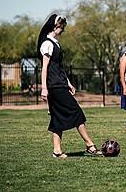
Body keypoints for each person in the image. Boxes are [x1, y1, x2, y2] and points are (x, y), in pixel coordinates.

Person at [37, 13, 102, 158]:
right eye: (61, 28)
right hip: (54, 86)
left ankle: (57, 151)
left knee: (57, 117)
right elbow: (45, 68)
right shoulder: (47, 44)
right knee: (76, 112)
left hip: (60, 84)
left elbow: (59, 67)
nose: (63, 30)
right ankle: (90, 145)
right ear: (55, 27)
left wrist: (68, 82)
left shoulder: (55, 43)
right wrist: (44, 88)